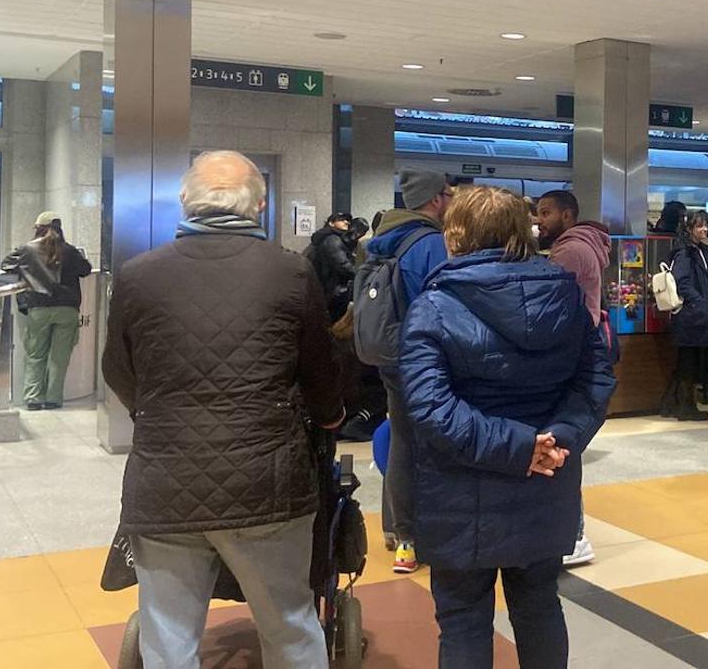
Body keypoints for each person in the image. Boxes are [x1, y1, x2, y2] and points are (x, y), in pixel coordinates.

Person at [101, 150, 344, 669]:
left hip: (165, 480)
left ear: (185, 201)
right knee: (290, 624)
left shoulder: (138, 274)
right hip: (267, 482)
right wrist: (329, 418)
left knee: (167, 635)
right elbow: (320, 377)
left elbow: (118, 370)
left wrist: (158, 410)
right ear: (259, 204)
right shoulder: (292, 273)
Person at [401, 185, 615, 669]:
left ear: (455, 235)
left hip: (460, 488)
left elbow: (431, 409)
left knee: (463, 619)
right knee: (539, 605)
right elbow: (597, 379)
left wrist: (523, 448)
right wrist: (557, 440)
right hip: (546, 481)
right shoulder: (566, 295)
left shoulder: (434, 306)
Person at [366, 169, 452, 573]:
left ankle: (397, 532)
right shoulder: (430, 242)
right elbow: (440, 302)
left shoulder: (382, 239)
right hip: (422, 358)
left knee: (400, 439)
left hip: (387, 353)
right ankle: (419, 535)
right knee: (429, 444)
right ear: (436, 199)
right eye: (448, 194)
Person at [536, 190, 611, 568]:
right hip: (583, 351)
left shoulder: (569, 251)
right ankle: (573, 532)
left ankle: (575, 534)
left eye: (546, 213)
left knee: (562, 443)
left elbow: (547, 302)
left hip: (569, 353)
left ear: (567, 214)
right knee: (565, 440)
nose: (539, 221)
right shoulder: (585, 246)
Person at [2, 212, 93, 410]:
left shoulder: (27, 249)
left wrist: (26, 270)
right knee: (59, 358)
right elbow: (86, 269)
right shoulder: (70, 250)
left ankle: (33, 399)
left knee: (35, 355)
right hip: (67, 308)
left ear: (39, 228)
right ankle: (53, 399)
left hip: (38, 307)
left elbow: (6, 264)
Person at [662, 211, 708, 421]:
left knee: (686, 362)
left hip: (693, 315)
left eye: (705, 226)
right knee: (688, 363)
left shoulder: (697, 250)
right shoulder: (686, 253)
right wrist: (699, 301)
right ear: (689, 229)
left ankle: (673, 404)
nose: (704, 230)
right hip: (691, 317)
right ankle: (685, 406)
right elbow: (682, 282)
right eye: (699, 227)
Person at [305, 212, 357, 321]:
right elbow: (343, 265)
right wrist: (360, 274)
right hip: (334, 289)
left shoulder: (324, 237)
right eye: (342, 219)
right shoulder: (333, 239)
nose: (346, 222)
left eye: (347, 220)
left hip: (324, 287)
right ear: (331, 223)